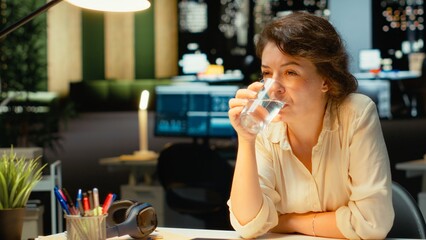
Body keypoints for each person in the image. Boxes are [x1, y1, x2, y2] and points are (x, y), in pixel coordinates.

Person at [227, 11, 394, 239]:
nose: (274, 88)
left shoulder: (355, 113)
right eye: (267, 73)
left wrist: (289, 221)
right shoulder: (265, 125)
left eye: (290, 72)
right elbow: (247, 225)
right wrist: (246, 139)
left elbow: (371, 223)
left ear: (326, 79)